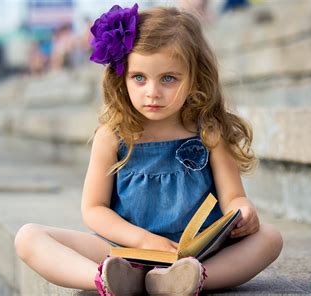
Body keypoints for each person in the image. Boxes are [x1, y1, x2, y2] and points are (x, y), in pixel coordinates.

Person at [14, 4, 283, 295]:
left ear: (194, 78)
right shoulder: (112, 136)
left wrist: (244, 212)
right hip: (125, 251)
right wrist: (142, 241)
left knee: (270, 237)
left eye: (168, 78)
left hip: (193, 254)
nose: (152, 92)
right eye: (139, 78)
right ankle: (105, 279)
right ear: (123, 77)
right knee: (28, 237)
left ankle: (189, 279)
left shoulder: (209, 132)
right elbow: (94, 209)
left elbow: (234, 198)